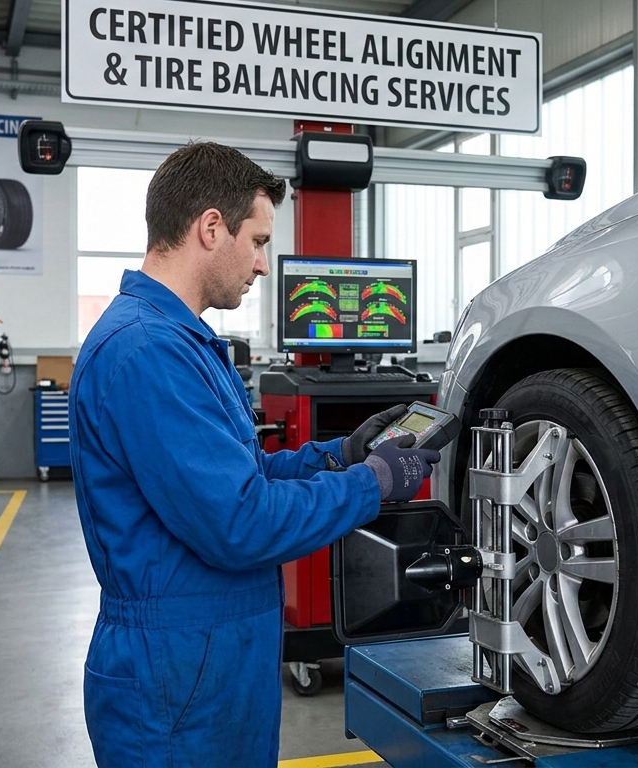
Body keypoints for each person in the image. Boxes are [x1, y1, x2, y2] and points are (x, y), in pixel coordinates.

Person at [70, 141, 441, 768]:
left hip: (210, 659)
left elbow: (240, 475)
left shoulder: (178, 341)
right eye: (260, 240)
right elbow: (240, 523)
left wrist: (341, 455)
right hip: (178, 677)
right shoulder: (147, 353)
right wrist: (370, 485)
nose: (265, 264)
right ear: (211, 228)